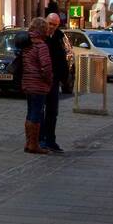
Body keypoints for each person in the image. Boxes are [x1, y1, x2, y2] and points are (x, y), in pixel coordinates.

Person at [19, 17, 54, 155]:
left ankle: (28, 142)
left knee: (30, 113)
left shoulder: (26, 44)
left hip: (27, 83)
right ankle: (34, 144)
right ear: (43, 30)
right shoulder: (41, 45)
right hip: (38, 84)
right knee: (37, 114)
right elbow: (46, 67)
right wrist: (49, 80)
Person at [41, 13, 71, 153]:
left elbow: (62, 59)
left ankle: (50, 140)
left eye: (54, 24)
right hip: (40, 80)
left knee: (52, 111)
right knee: (39, 111)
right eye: (50, 23)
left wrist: (64, 78)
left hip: (53, 80)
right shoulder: (39, 36)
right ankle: (40, 140)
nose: (51, 27)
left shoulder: (59, 37)